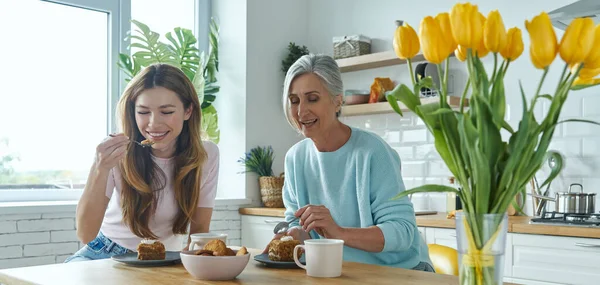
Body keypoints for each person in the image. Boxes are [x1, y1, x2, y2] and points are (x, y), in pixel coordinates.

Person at [266, 54, 433, 271]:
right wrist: (294, 234)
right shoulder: (295, 158)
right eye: (294, 100)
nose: (301, 111)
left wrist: (339, 232)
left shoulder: (372, 152)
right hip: (338, 271)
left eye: (312, 98)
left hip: (401, 272)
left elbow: (403, 231)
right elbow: (296, 222)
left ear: (337, 100)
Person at [65, 64, 219, 262]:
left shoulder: (206, 155)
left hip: (163, 259)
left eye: (167, 112)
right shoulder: (117, 153)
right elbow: (86, 235)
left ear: (188, 111)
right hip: (104, 253)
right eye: (144, 112)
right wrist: (99, 167)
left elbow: (199, 235)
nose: (153, 123)